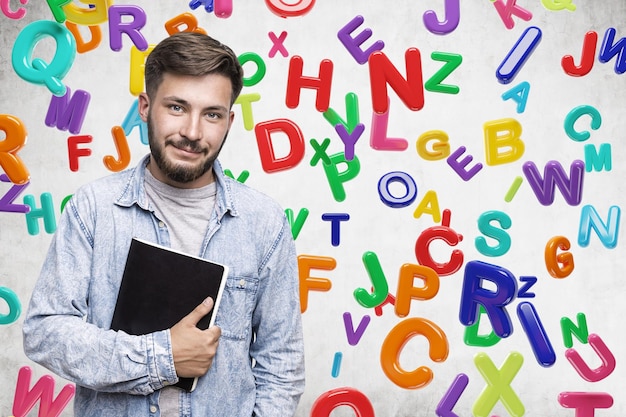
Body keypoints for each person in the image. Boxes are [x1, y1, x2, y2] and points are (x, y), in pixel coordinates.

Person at [22, 32, 305, 417]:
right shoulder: (93, 209)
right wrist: (162, 357)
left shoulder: (264, 221)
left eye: (212, 114)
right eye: (176, 107)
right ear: (145, 106)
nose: (192, 132)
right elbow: (45, 331)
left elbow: (281, 364)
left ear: (229, 121)